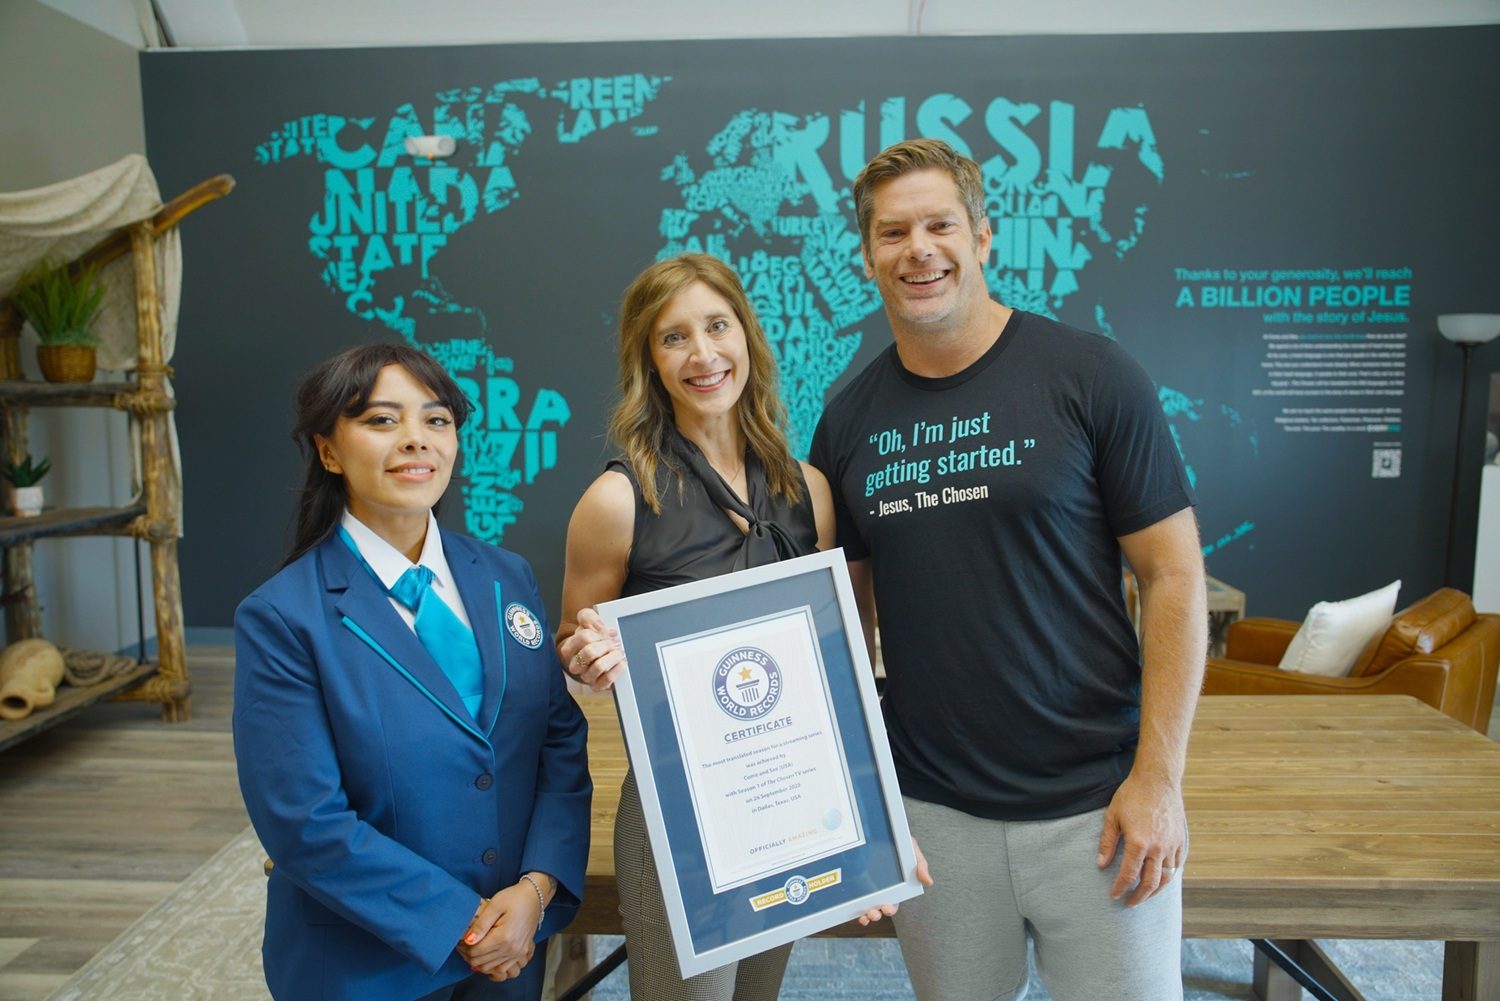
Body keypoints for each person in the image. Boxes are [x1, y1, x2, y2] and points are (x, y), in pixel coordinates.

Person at [808, 139, 1207, 1001]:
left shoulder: (1091, 375)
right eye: (892, 232)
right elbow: (841, 623)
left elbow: (1174, 577)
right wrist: (862, 798)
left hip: (1098, 808)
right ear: (866, 255)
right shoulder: (847, 422)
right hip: (935, 813)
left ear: (983, 237)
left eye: (939, 224)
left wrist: (1158, 779)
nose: (918, 248)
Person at [558, 254, 915, 1000]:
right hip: (677, 822)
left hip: (782, 805)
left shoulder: (804, 488)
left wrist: (868, 831)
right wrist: (585, 659)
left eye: (717, 327)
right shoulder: (618, 500)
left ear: (747, 336)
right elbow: (570, 657)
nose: (703, 354)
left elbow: (835, 670)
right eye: (674, 337)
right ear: (648, 362)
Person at [233, 342, 591, 1001]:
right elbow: (304, 821)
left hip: (513, 946)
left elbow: (557, 744)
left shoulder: (506, 576)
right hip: (365, 965)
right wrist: (460, 919)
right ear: (329, 450)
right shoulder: (282, 617)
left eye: (435, 419)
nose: (414, 441)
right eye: (380, 420)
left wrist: (535, 891)